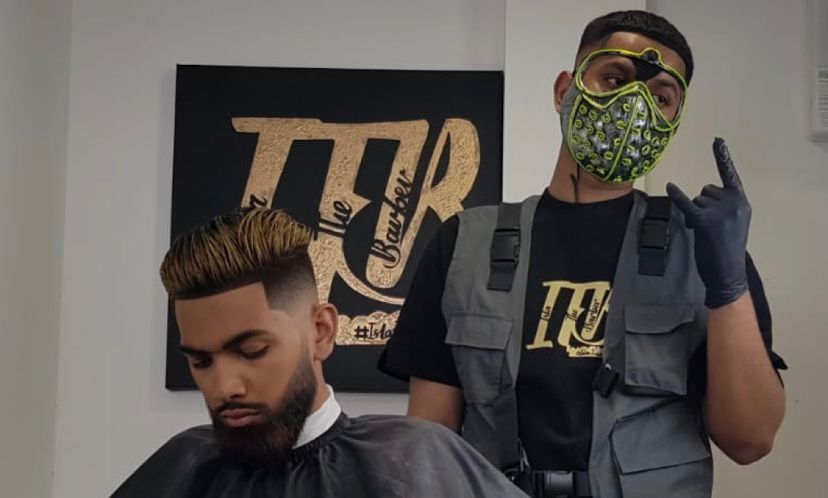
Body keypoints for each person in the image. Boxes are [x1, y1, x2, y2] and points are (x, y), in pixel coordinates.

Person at [379, 10, 787, 498]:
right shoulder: (464, 246)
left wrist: (728, 285)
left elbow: (750, 439)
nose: (633, 105)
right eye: (614, 78)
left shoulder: (704, 250)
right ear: (564, 90)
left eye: (660, 97)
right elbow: (431, 441)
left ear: (673, 122)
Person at [112, 208, 528, 498]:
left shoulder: (415, 463)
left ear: (321, 331)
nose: (223, 387)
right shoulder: (181, 467)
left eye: (251, 351)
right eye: (201, 361)